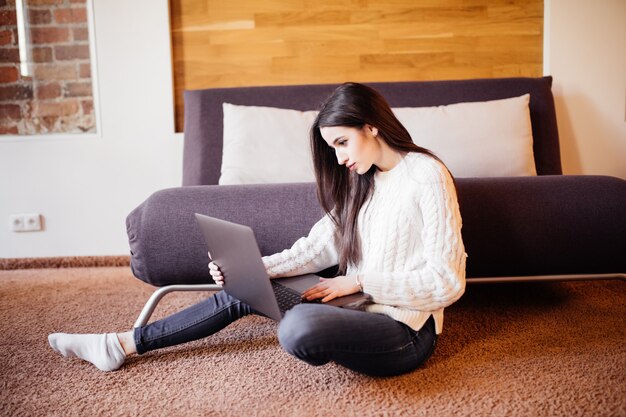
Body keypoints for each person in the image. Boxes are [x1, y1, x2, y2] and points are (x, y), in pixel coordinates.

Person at [48, 82, 466, 377]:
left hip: (403, 331)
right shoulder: (364, 181)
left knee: (298, 329)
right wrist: (256, 268)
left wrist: (358, 281)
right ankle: (119, 345)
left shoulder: (426, 176)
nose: (338, 159)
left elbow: (447, 282)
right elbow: (318, 246)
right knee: (246, 290)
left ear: (371, 126)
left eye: (341, 142)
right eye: (331, 148)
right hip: (353, 303)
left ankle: (322, 327)